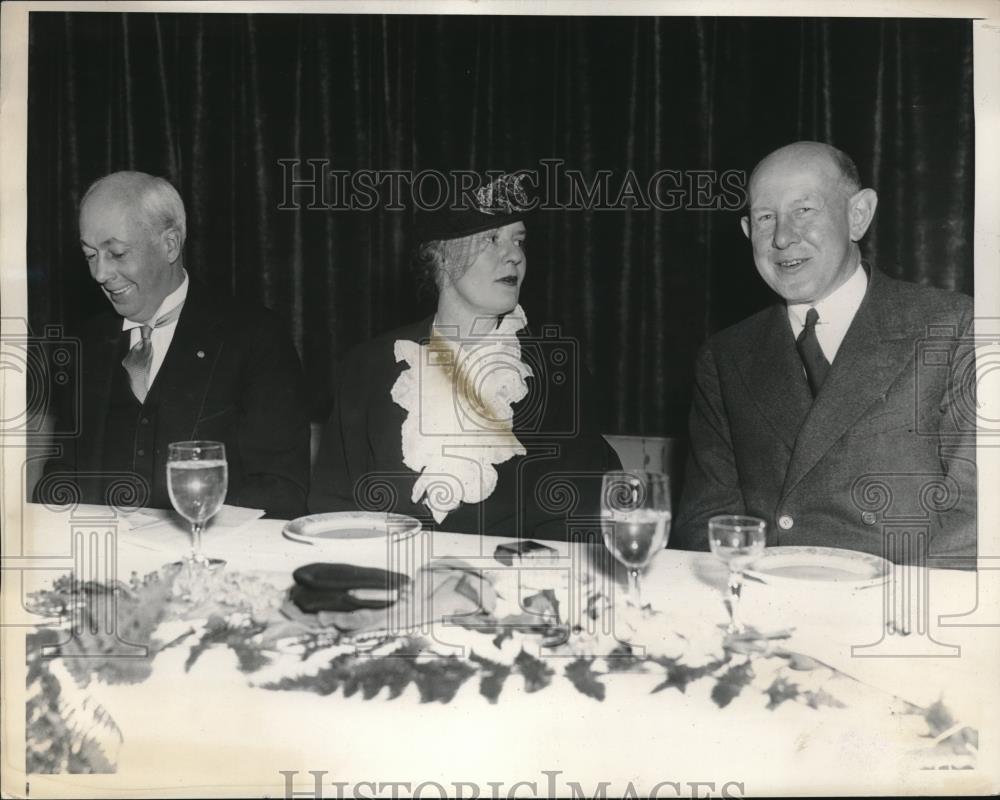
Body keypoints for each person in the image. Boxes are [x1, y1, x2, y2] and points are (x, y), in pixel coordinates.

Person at [672, 142, 976, 567]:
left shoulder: (953, 327)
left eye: (804, 211)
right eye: (764, 218)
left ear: (858, 215)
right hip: (771, 608)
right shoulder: (726, 356)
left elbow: (976, 519)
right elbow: (706, 523)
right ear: (747, 232)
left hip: (899, 613)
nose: (781, 237)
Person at [309, 173, 620, 539]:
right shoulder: (370, 366)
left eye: (518, 240)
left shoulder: (555, 370)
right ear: (439, 256)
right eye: (491, 239)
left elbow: (580, 518)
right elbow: (333, 510)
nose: (515, 256)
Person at [35, 171, 310, 519]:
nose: (100, 274)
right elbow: (61, 475)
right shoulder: (86, 344)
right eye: (90, 255)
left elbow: (282, 491)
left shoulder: (255, 336)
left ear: (170, 244)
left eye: (116, 253)